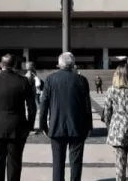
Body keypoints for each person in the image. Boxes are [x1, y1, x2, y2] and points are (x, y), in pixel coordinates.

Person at [0, 53, 36, 181]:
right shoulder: (23, 81)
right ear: (15, 65)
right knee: (14, 162)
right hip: (17, 126)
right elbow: (32, 106)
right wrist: (30, 125)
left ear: (1, 65)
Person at [39, 52, 92, 181]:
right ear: (73, 64)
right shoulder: (81, 80)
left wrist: (43, 126)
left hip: (56, 125)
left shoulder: (50, 79)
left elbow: (44, 104)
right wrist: (89, 126)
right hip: (77, 126)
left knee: (57, 162)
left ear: (59, 64)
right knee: (76, 161)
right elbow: (87, 106)